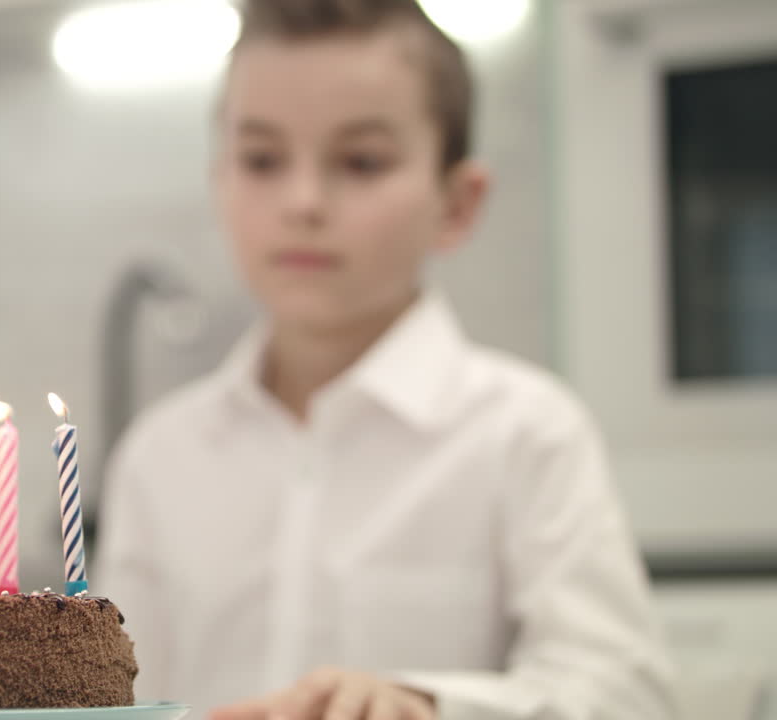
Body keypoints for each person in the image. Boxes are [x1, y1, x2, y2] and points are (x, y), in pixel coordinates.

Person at [95, 1, 675, 719]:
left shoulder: (526, 435)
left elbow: (628, 695)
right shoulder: (161, 459)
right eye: (262, 160)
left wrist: (426, 705)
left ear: (458, 204)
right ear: (220, 179)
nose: (303, 202)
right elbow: (118, 700)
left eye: (361, 161)